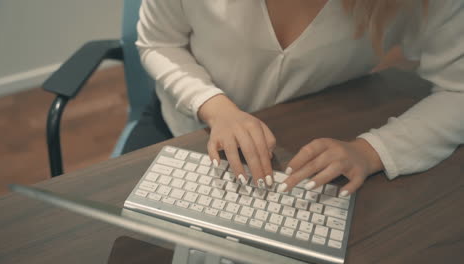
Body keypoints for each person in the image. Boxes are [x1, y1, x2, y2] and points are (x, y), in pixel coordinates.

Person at [129, 0, 464, 197]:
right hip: (187, 128)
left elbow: (458, 90)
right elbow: (158, 42)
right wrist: (215, 107)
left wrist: (372, 150)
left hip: (305, 145)